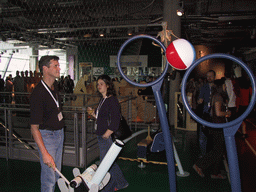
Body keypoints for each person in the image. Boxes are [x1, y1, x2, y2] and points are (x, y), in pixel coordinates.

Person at [87, 75, 129, 192]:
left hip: (106, 136)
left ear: (108, 85)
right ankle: (120, 182)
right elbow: (101, 117)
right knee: (108, 161)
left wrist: (107, 133)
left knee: (107, 162)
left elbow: (115, 120)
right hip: (101, 134)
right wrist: (93, 114)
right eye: (98, 84)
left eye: (101, 84)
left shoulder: (112, 100)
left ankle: (119, 183)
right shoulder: (103, 99)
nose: (99, 86)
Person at [30, 55, 65, 192]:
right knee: (49, 179)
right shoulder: (38, 93)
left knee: (57, 174)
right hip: (47, 137)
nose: (59, 68)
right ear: (45, 69)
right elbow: (34, 128)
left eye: (58, 65)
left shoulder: (54, 87)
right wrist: (44, 153)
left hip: (59, 134)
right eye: (55, 65)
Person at [193, 79, 231, 179]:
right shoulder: (218, 97)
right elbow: (218, 113)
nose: (225, 87)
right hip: (217, 126)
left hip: (216, 125)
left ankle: (215, 172)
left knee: (218, 150)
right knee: (217, 150)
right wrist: (227, 113)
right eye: (224, 86)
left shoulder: (216, 96)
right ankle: (200, 165)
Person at [197, 70, 216, 156]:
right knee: (202, 137)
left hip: (216, 115)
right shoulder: (204, 87)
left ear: (214, 77)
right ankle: (203, 155)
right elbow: (199, 100)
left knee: (215, 138)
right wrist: (199, 101)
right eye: (208, 76)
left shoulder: (218, 87)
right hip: (206, 114)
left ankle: (213, 155)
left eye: (211, 76)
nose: (209, 78)